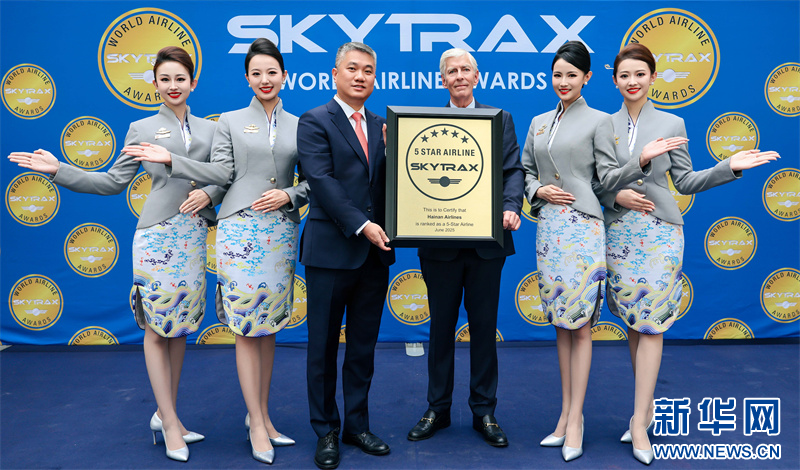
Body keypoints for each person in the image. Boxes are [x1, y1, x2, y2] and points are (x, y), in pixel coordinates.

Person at [9, 46, 218, 462]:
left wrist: (209, 193)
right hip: (156, 238)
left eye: (180, 78)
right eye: (165, 79)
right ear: (154, 84)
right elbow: (111, 182)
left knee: (180, 328)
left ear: (193, 82)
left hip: (194, 237)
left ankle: (167, 413)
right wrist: (59, 170)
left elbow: (223, 177)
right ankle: (170, 422)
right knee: (157, 329)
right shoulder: (141, 129)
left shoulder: (213, 131)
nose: (173, 86)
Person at [123, 38, 308, 465]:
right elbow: (223, 173)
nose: (264, 79)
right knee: (243, 324)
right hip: (237, 231)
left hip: (280, 232)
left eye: (272, 72)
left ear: (285, 76)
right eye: (256, 73)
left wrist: (291, 195)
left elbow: (315, 178)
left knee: (267, 326)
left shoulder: (302, 125)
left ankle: (260, 416)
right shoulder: (228, 120)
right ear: (246, 78)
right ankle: (248, 422)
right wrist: (173, 162)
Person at [598, 43, 779, 465]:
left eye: (640, 74)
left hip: (661, 234)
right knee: (634, 322)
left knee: (652, 324)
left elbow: (685, 181)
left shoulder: (671, 122)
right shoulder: (602, 125)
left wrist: (729, 166)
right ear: (615, 80)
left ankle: (639, 423)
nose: (632, 82)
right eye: (624, 75)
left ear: (653, 77)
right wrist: (624, 184)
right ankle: (643, 411)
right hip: (619, 233)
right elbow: (598, 183)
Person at [521, 40, 667, 462]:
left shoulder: (600, 121)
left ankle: (576, 422)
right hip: (549, 231)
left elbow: (607, 178)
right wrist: (536, 190)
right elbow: (527, 171)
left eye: (572, 75)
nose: (563, 82)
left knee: (581, 325)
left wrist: (639, 162)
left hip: (584, 230)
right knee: (561, 325)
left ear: (586, 78)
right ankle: (566, 415)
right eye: (557, 74)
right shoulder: (539, 122)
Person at [406, 48, 524, 448]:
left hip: (486, 246)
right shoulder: (423, 126)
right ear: (442, 80)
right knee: (440, 329)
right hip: (439, 245)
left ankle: (484, 410)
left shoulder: (500, 118)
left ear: (477, 77)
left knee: (484, 329)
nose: (459, 76)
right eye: (451, 71)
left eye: (465, 70)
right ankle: (437, 409)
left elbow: (512, 170)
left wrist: (511, 207)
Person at [296, 41, 394, 470]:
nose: (360, 76)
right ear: (335, 74)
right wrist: (363, 225)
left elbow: (393, 184)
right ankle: (326, 430)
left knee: (362, 347)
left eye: (368, 70)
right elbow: (322, 181)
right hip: (331, 251)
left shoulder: (384, 126)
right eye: (352, 68)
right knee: (322, 348)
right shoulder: (315, 120)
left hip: (374, 256)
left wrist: (395, 154)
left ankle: (357, 425)